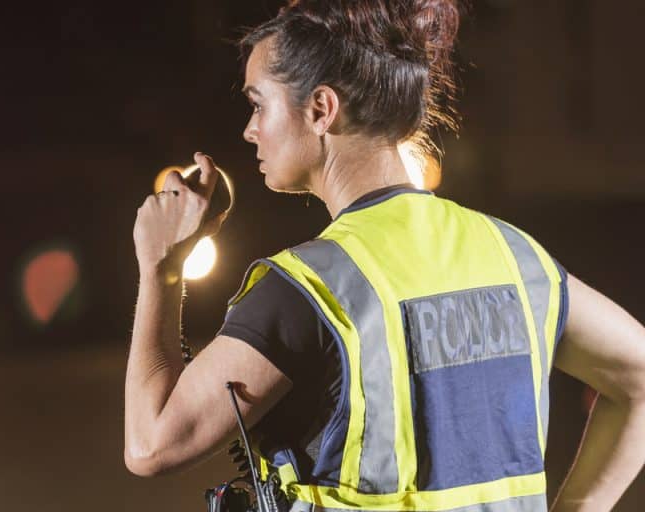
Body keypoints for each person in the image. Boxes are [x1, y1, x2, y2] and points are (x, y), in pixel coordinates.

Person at [123, 0, 645, 510]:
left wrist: (160, 266)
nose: (249, 129)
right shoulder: (516, 258)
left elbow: (151, 446)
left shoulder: (309, 288)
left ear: (321, 109)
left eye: (259, 104)